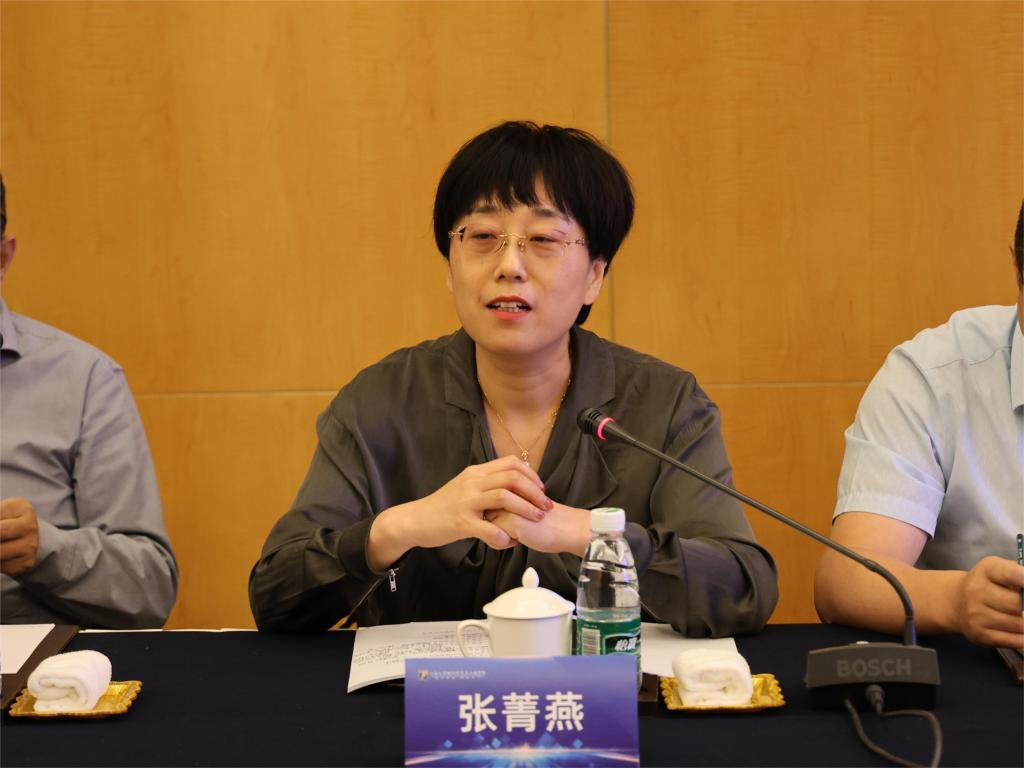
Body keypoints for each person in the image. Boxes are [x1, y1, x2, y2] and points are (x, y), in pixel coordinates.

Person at [249, 122, 778, 635]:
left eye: (543, 238)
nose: (510, 265)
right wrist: (400, 528)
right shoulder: (380, 401)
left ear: (595, 276)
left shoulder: (664, 403)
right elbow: (276, 598)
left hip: (607, 695)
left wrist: (587, 533)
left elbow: (742, 587)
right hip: (416, 696)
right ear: (449, 265)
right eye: (482, 236)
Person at [815, 202, 1024, 650]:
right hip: (985, 674)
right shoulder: (934, 376)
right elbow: (846, 580)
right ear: (1016, 263)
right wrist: (958, 599)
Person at [0, 174, 178, 627]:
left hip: (33, 660)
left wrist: (43, 550)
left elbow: (150, 589)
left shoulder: (83, 378)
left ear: (3, 257)